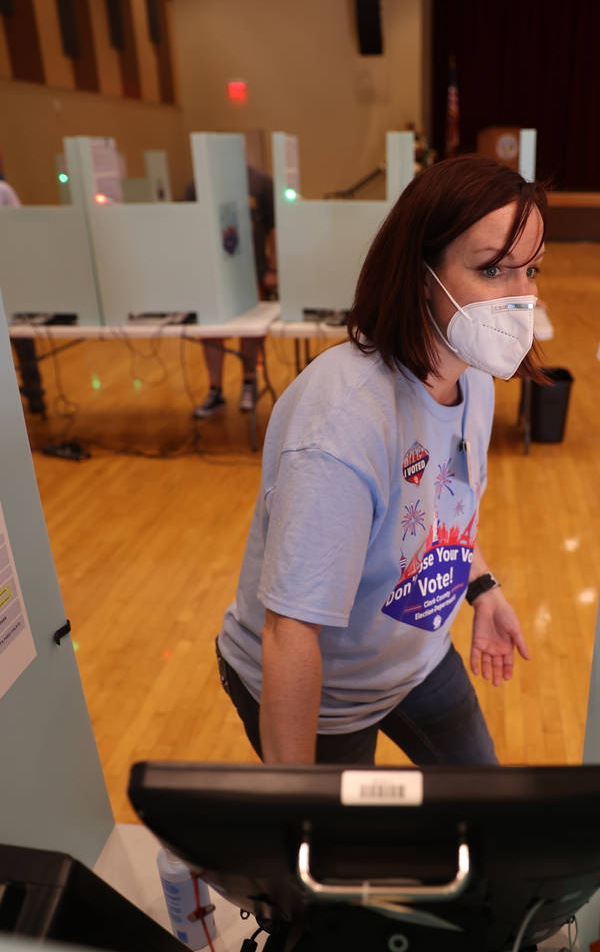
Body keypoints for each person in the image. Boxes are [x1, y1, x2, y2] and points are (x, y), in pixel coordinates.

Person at [215, 155, 547, 765]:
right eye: (494, 269)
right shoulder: (343, 427)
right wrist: (299, 810)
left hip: (417, 656)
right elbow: (291, 637)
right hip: (324, 693)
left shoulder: (473, 381)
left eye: (531, 269)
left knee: (483, 809)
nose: (522, 298)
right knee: (337, 853)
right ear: (423, 274)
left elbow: (430, 515)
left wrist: (482, 587)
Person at [184, 165, 276, 417]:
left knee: (249, 329)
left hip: (251, 271)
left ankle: (249, 382)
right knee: (211, 332)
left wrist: (273, 268)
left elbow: (274, 228)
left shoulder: (260, 182)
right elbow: (188, 230)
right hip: (212, 274)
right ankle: (215, 390)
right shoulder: (197, 184)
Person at [0, 170, 47, 416]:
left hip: (9, 276)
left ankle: (35, 394)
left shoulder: (3, 191)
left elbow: (19, 227)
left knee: (22, 338)